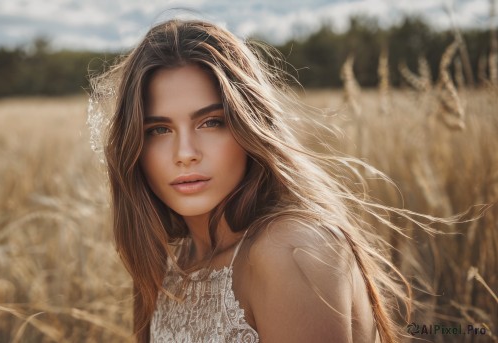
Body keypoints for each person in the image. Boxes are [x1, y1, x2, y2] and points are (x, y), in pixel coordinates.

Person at [88, 18, 414, 342]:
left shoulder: (290, 250)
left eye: (211, 122)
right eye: (159, 130)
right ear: (134, 146)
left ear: (250, 125)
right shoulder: (168, 260)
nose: (184, 153)